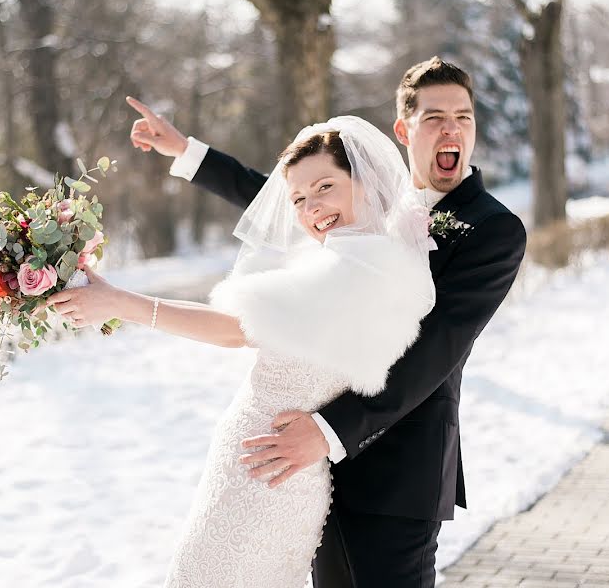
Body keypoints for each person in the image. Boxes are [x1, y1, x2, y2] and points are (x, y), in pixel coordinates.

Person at [127, 56, 528, 587]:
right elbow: (295, 196)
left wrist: (329, 431)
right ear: (404, 130)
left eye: (463, 116)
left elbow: (435, 351)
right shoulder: (372, 197)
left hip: (394, 469)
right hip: (309, 471)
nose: (451, 128)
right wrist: (188, 153)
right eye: (435, 117)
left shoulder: (494, 229)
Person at [47, 116, 437, 587]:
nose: (312, 208)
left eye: (325, 187)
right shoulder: (375, 259)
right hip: (281, 466)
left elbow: (234, 329)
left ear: (363, 182)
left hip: (261, 468)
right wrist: (117, 298)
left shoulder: (352, 267)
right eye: (298, 199)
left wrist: (120, 303)